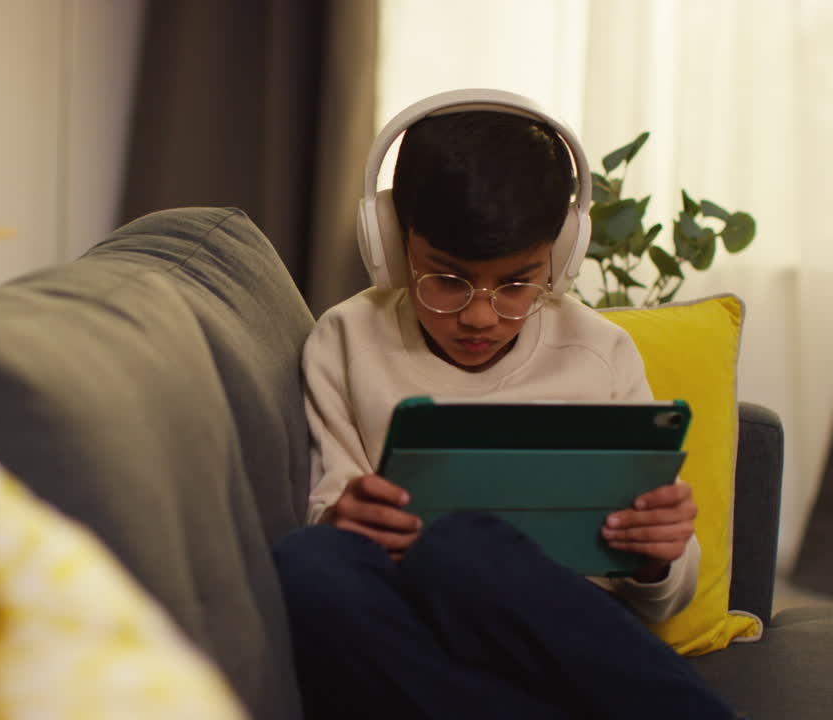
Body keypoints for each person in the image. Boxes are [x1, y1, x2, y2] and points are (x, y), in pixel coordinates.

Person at [273, 99, 741, 719]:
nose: (480, 316)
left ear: (563, 255)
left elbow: (665, 596)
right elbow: (331, 530)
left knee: (462, 548)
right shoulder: (345, 340)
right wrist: (340, 520)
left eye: (519, 284)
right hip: (414, 636)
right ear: (390, 242)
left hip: (556, 635)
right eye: (446, 279)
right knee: (305, 563)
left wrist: (659, 554)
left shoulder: (600, 353)